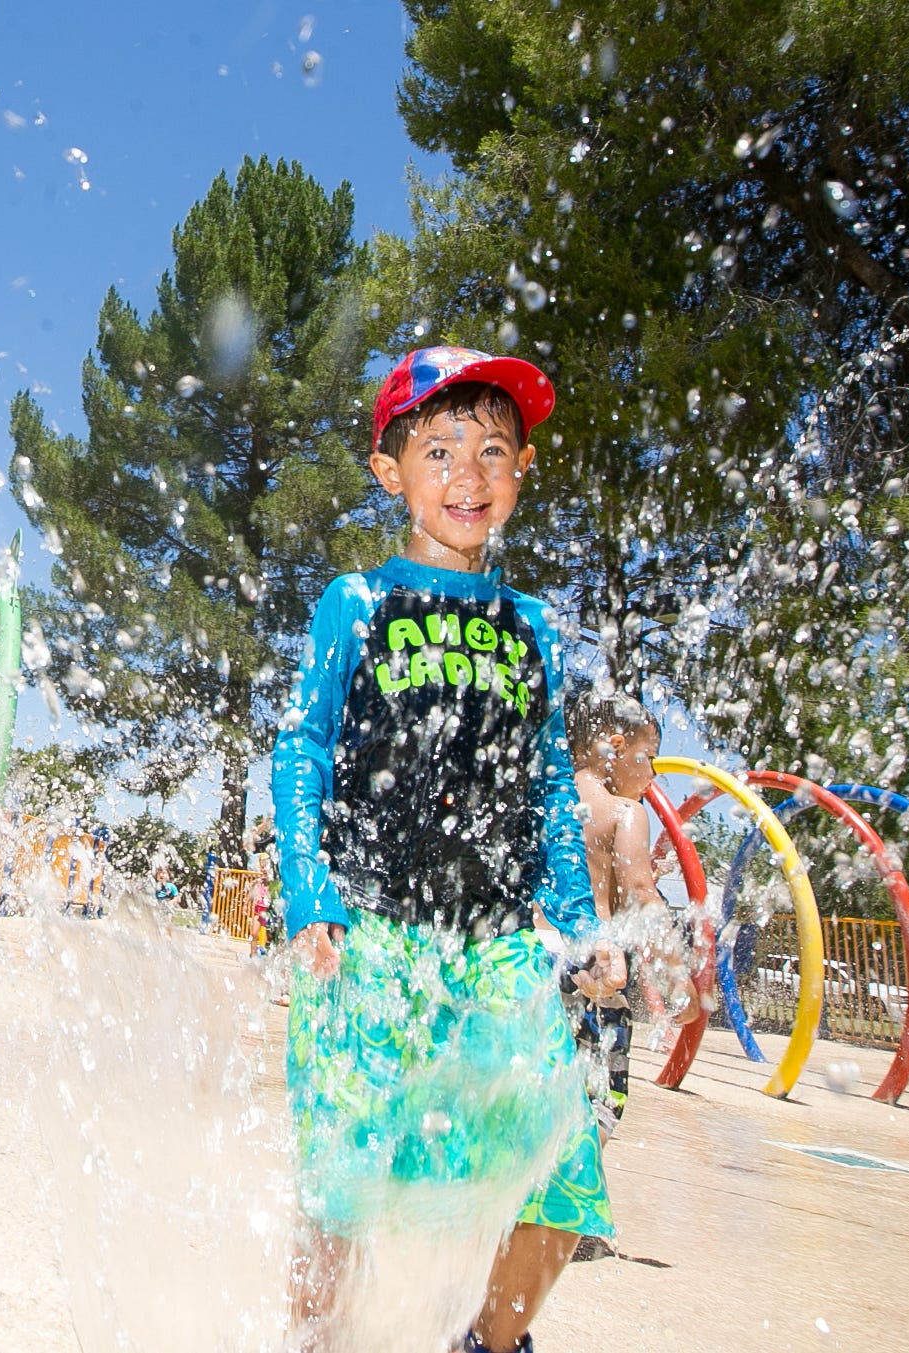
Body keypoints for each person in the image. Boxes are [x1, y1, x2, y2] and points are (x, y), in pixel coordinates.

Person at [273, 346, 625, 1353]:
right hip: (374, 933)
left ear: (519, 475)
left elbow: (551, 785)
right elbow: (301, 748)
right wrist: (311, 892)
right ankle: (315, 1343)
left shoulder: (534, 626)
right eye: (441, 449)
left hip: (498, 944)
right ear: (392, 473)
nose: (469, 476)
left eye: (495, 451)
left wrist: (580, 921)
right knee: (343, 1182)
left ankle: (489, 1343)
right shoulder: (356, 602)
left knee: (563, 1180)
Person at [562, 691, 693, 1136]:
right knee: (597, 1109)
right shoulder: (625, 812)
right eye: (648, 757)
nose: (653, 772)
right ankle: (573, 1197)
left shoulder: (549, 803)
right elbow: (640, 892)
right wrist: (679, 978)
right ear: (615, 749)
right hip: (594, 974)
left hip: (538, 962)